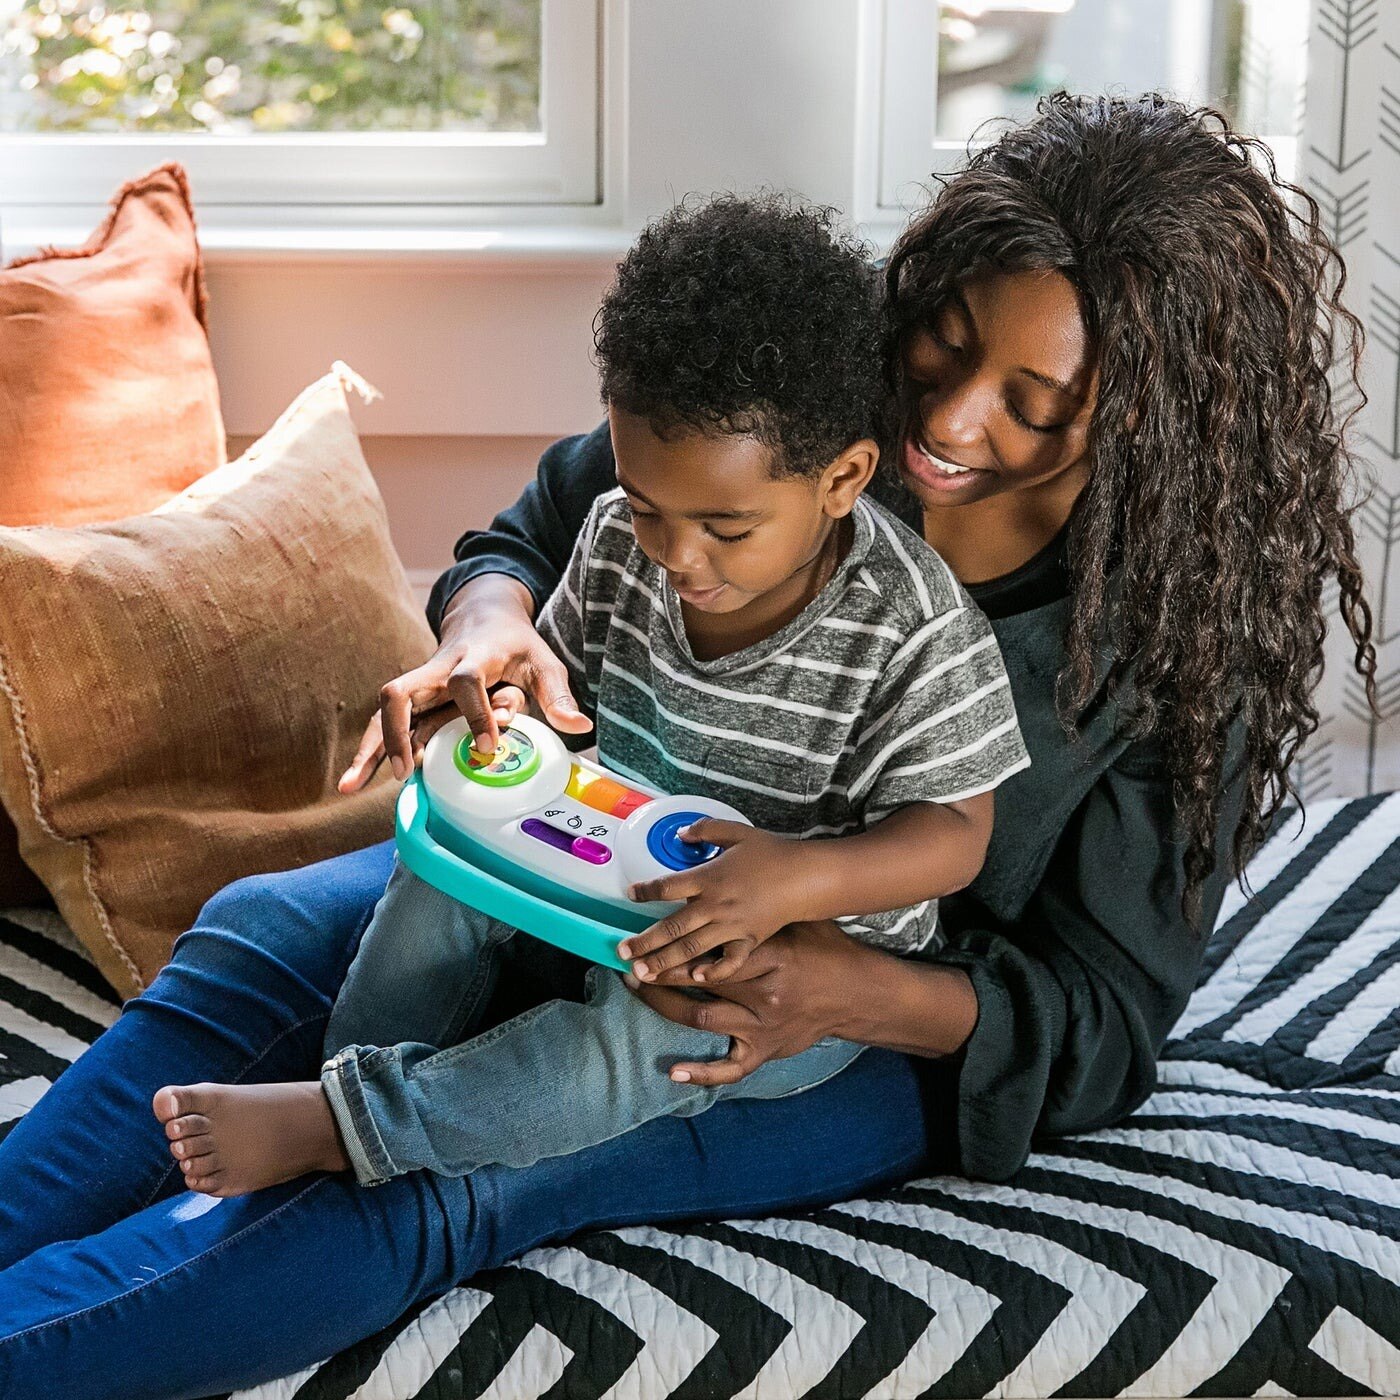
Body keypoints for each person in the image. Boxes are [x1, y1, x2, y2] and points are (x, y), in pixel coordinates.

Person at [0, 94, 1376, 1399]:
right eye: (945, 346)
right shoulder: (813, 410)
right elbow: (539, 532)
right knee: (264, 934)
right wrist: (491, 629)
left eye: (1036, 398)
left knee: (463, 1168)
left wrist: (836, 989)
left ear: (1144, 403)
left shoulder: (1162, 636)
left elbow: (1104, 1018)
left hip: (839, 1013)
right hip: (601, 868)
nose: (949, 422)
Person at [149, 195, 1027, 1197]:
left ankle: (353, 1127)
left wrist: (790, 879)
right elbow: (560, 702)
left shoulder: (912, 628)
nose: (679, 556)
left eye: (726, 527)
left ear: (842, 478)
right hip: (604, 870)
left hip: (780, 946)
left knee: (629, 1045)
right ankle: (349, 1075)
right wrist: (504, 737)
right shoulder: (618, 535)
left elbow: (952, 834)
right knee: (438, 877)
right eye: (651, 506)